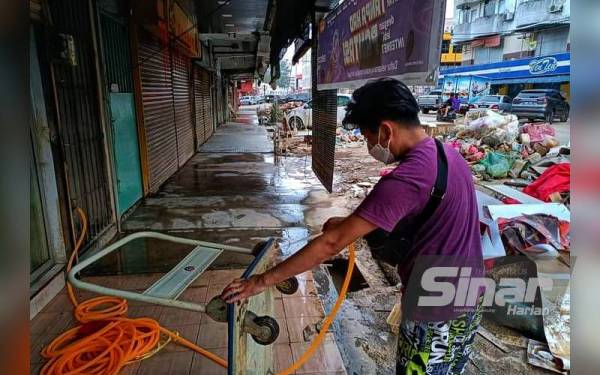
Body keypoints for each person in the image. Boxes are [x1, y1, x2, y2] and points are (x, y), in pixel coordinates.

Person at [221, 78, 483, 375]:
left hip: (436, 306)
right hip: (470, 293)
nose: (370, 146)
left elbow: (331, 244)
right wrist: (348, 224)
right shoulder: (447, 154)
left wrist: (260, 281)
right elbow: (431, 220)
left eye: (368, 137)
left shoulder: (406, 179)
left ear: (386, 130)